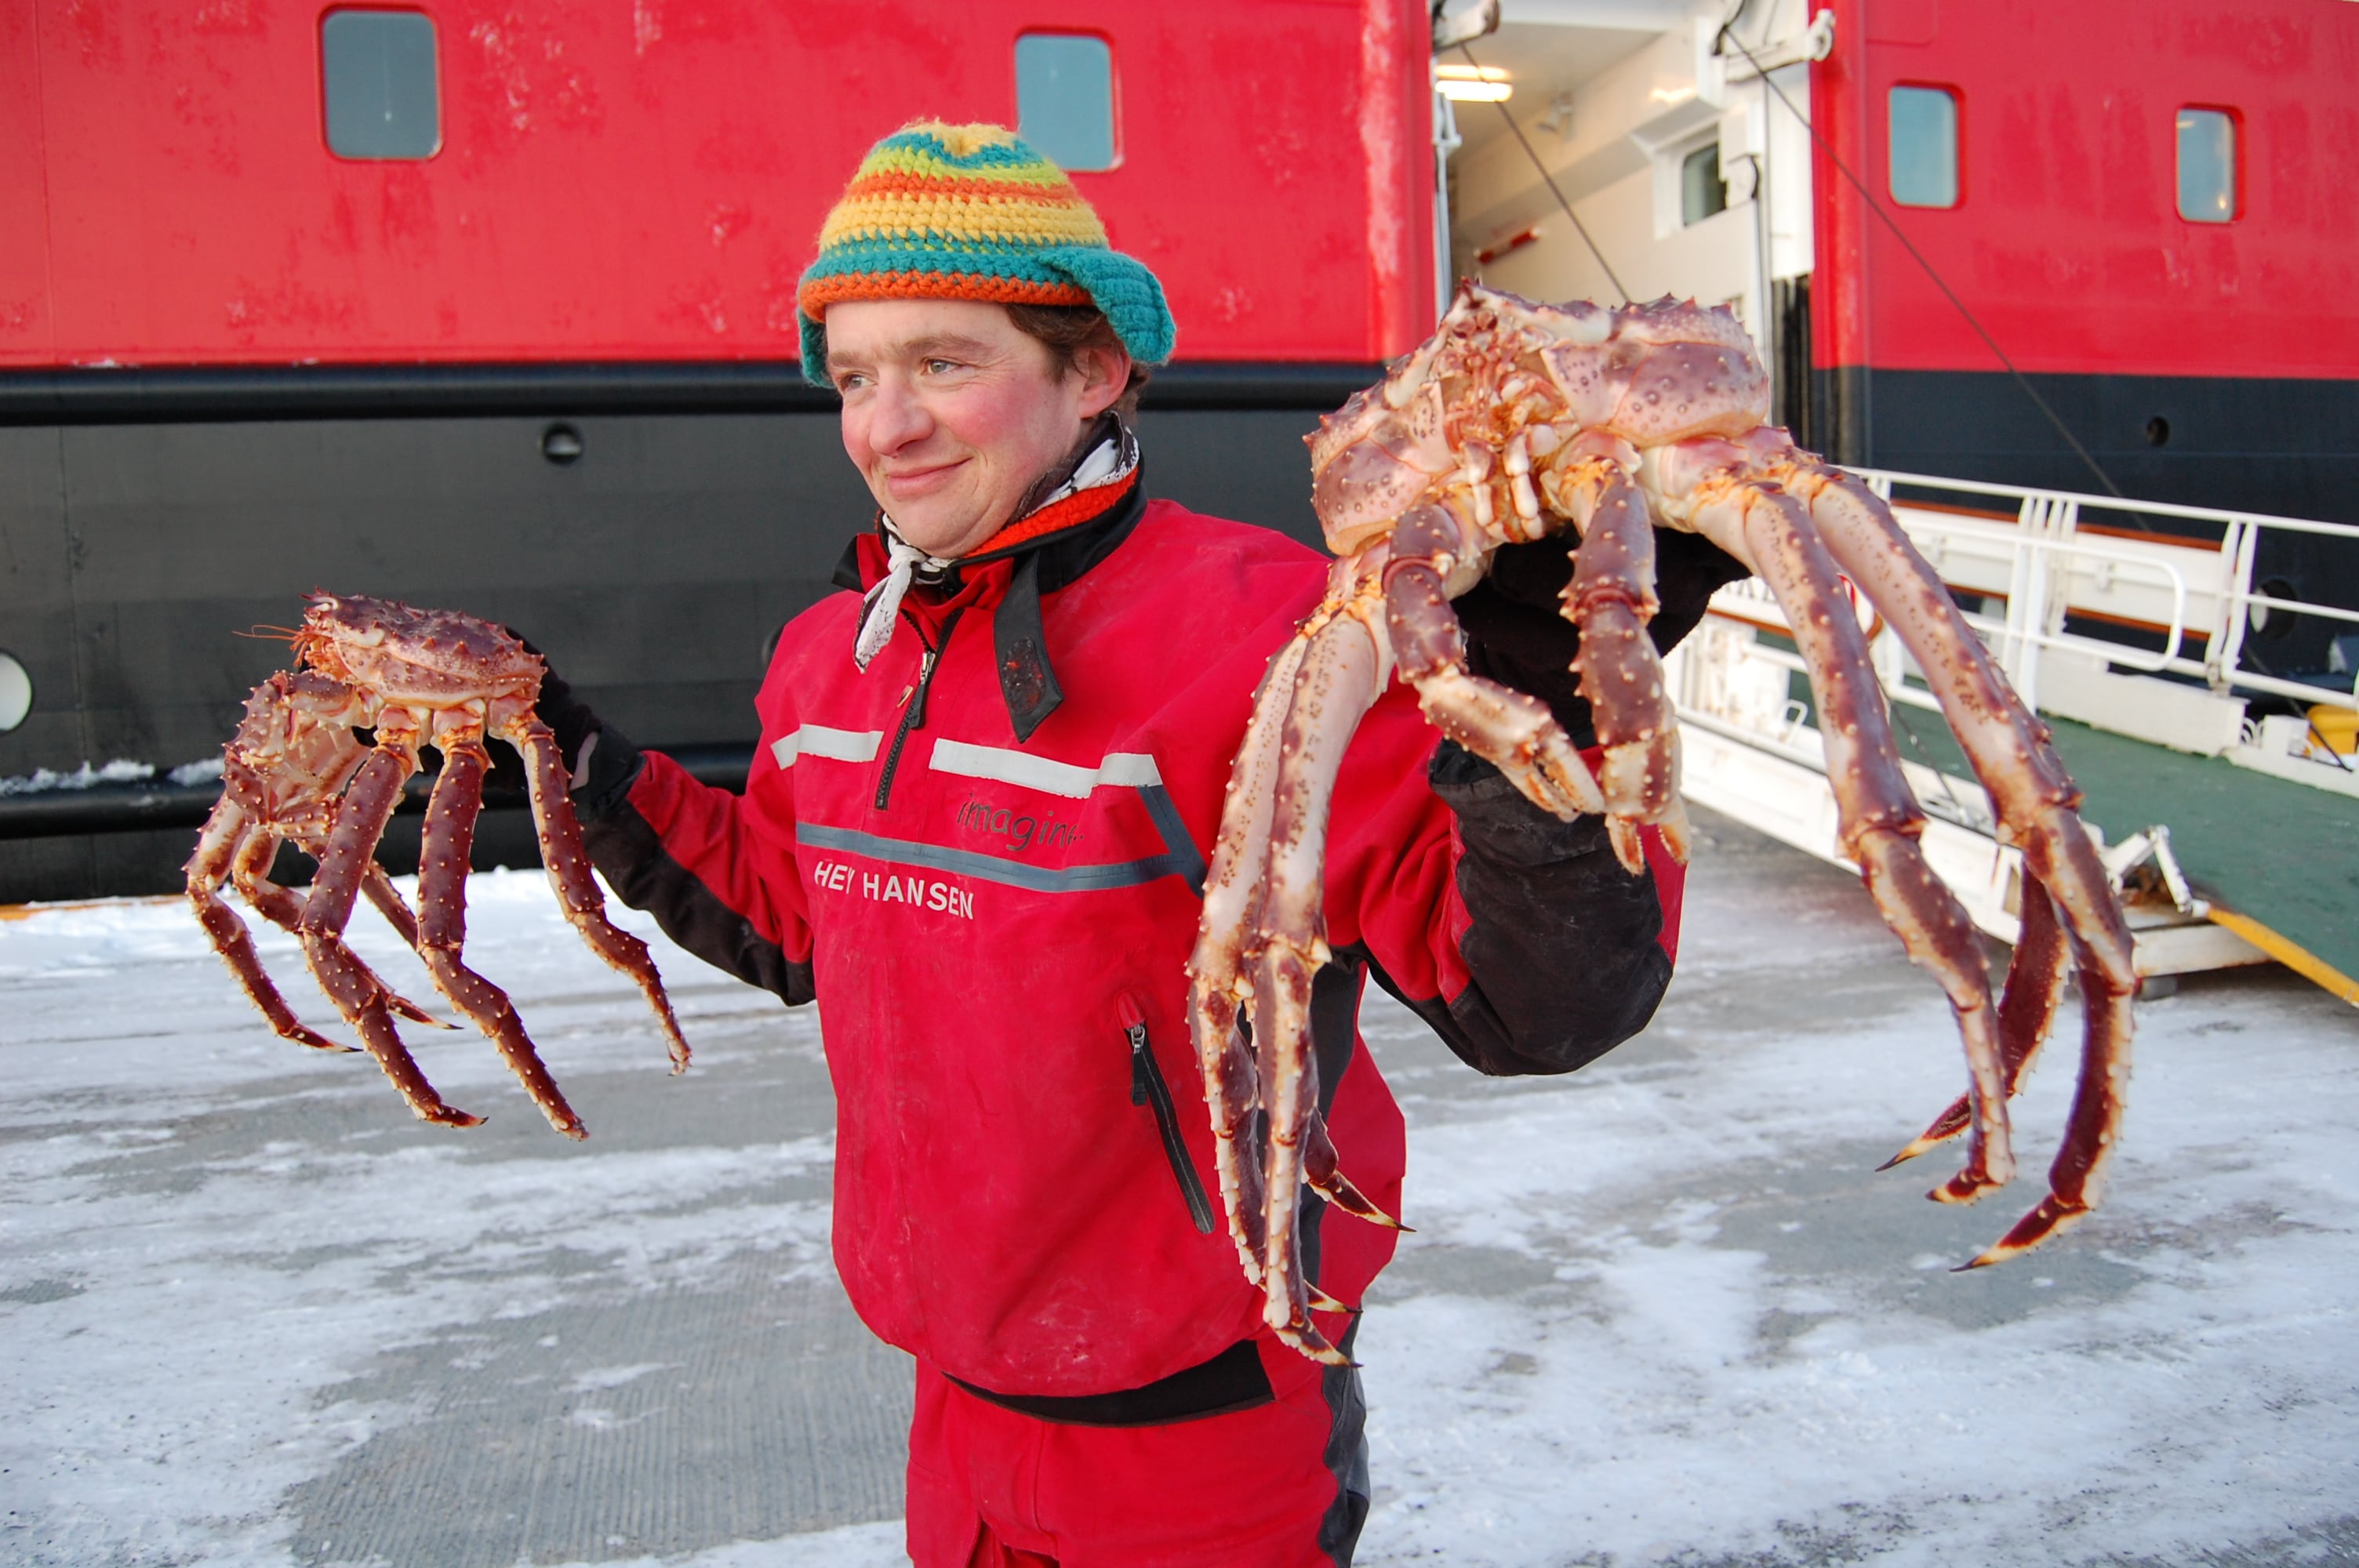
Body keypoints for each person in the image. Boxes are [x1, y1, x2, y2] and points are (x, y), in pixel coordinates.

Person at [532, 122, 1743, 1568]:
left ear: (1094, 368)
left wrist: (1538, 686)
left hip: (1206, 1427)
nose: (885, 424)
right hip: (951, 1410)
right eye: (853, 374)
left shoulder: (1272, 634)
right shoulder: (828, 658)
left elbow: (1536, 1000)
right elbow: (803, 916)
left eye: (945, 361)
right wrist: (578, 764)